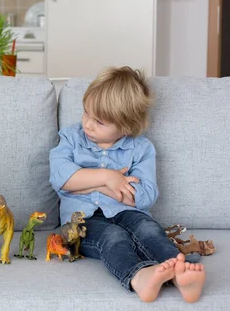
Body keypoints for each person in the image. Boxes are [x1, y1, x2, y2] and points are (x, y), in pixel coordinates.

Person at [49, 66, 206, 303]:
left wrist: (89, 183)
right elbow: (62, 178)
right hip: (79, 222)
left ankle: (180, 274)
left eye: (99, 121)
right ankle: (139, 277)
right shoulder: (71, 138)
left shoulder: (141, 149)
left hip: (126, 212)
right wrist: (107, 178)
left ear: (125, 127)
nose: (87, 124)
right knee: (114, 236)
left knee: (148, 229)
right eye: (86, 113)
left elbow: (146, 195)